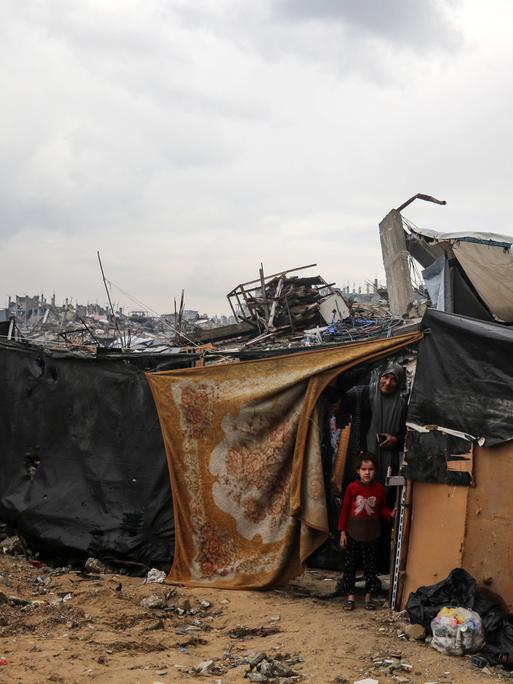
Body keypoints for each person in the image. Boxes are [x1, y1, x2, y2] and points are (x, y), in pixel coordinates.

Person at [337, 454, 395, 610]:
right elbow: (345, 511)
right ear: (358, 471)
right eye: (364, 469)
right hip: (352, 532)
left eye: (370, 469)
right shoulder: (352, 488)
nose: (367, 472)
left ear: (375, 471)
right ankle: (350, 597)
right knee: (350, 567)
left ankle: (368, 597)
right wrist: (342, 532)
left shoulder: (379, 489)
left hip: (372, 534)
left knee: (370, 568)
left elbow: (382, 508)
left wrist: (391, 514)